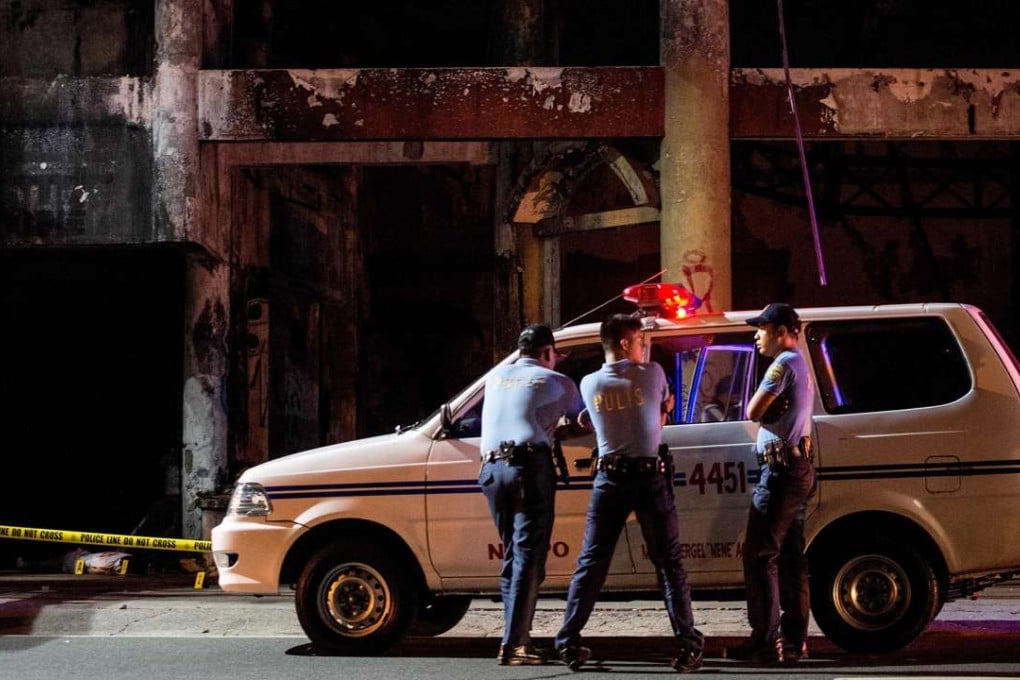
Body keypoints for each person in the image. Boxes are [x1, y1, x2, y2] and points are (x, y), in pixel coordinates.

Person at [554, 314, 704, 673]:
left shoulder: (589, 383)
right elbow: (660, 417)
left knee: (592, 562)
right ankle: (688, 644)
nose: (643, 345)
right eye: (639, 339)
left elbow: (590, 421)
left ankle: (568, 640)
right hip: (647, 477)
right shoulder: (652, 373)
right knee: (668, 563)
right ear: (624, 343)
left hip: (609, 478)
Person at [478, 323, 587, 666]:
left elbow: (528, 413)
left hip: (491, 471)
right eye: (554, 356)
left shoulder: (495, 377)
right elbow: (590, 414)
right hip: (528, 469)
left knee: (514, 556)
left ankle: (514, 638)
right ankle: (514, 646)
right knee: (528, 557)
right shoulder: (558, 381)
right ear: (546, 353)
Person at [727, 303, 816, 664]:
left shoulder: (782, 364)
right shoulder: (800, 363)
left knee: (760, 554)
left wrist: (763, 410)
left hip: (780, 472)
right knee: (792, 557)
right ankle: (794, 641)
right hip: (796, 467)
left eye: (761, 329)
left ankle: (764, 639)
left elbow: (752, 411)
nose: (756, 335)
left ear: (780, 330)